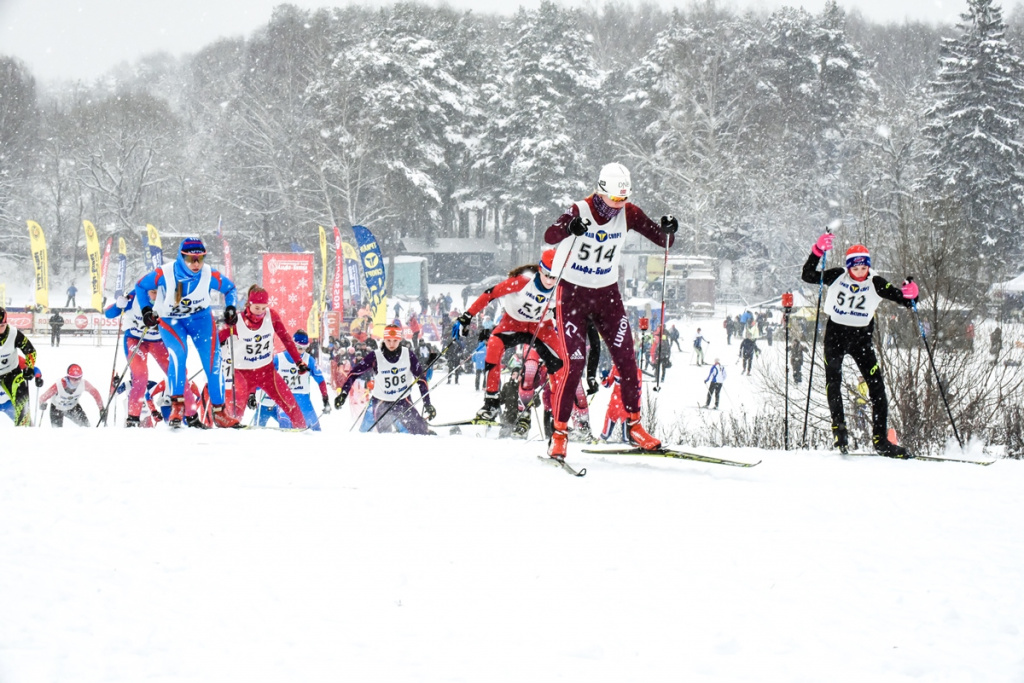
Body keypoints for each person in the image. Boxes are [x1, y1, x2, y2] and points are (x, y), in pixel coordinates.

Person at [542, 162, 675, 459]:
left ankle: (635, 426)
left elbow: (663, 239)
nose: (619, 205)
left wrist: (669, 230)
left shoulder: (629, 212)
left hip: (607, 294)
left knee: (628, 360)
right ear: (602, 191)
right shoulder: (580, 209)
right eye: (615, 199)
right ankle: (560, 433)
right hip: (573, 294)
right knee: (574, 364)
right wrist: (568, 227)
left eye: (623, 199)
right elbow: (550, 235)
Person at [801, 234, 918, 457]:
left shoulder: (875, 282)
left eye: (864, 266)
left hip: (861, 340)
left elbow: (903, 299)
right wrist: (817, 251)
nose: (860, 271)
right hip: (835, 336)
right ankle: (839, 430)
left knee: (877, 389)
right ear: (849, 267)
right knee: (833, 382)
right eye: (856, 267)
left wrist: (912, 294)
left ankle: (881, 441)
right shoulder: (837, 276)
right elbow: (808, 275)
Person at [134, 236, 239, 428]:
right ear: (181, 257)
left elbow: (230, 289)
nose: (196, 264)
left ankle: (220, 412)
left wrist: (231, 307)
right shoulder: (164, 273)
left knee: (213, 361)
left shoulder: (209, 274)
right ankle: (177, 406)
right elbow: (141, 287)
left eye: (200, 258)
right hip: (171, 321)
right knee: (178, 356)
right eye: (191, 259)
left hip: (201, 320)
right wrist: (146, 310)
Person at [453, 249, 565, 422]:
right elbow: (490, 293)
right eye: (548, 275)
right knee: (494, 345)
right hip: (513, 323)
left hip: (541, 328)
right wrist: (467, 316)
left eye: (555, 277)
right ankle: (491, 404)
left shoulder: (562, 288)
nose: (551, 281)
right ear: (540, 269)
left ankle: (560, 416)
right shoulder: (523, 281)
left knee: (562, 366)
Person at [105, 287, 200, 427]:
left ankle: (191, 417)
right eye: (152, 292)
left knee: (178, 374)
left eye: (158, 292)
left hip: (159, 342)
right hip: (136, 339)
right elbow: (109, 313)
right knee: (140, 376)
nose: (155, 296)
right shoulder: (136, 295)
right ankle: (132, 418)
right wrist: (118, 305)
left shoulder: (170, 297)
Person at [219, 285, 307, 430]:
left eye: (263, 307)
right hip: (242, 373)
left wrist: (298, 361)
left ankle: (303, 431)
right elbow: (215, 340)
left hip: (267, 372)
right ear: (249, 304)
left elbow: (285, 338)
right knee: (235, 412)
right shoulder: (237, 321)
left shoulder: (271, 316)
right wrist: (224, 325)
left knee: (291, 404)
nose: (260, 312)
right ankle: (230, 436)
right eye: (256, 308)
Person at [336, 324, 435, 434]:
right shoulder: (375, 356)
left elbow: (421, 380)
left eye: (395, 340)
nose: (391, 344)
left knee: (421, 433)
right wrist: (344, 393)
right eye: (388, 340)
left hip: (403, 401)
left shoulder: (408, 355)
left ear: (400, 339)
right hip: (381, 402)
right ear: (384, 339)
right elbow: (354, 373)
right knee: (385, 438)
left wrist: (427, 403)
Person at [274, 329, 331, 431]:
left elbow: (321, 380)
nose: (301, 351)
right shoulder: (279, 358)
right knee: (286, 424)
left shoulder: (309, 359)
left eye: (304, 348)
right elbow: (265, 376)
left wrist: (325, 399)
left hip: (303, 399)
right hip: (285, 398)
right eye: (298, 347)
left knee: (315, 430)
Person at [0, 307, 39, 426]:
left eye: (1, 325)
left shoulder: (14, 333)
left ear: (6, 323)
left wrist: (30, 368)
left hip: (11, 373)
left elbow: (31, 351)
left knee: (21, 392)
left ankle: (24, 426)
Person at [38, 363, 104, 427]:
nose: (78, 381)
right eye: (75, 379)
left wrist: (101, 409)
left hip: (73, 407)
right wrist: (42, 403)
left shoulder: (83, 384)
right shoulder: (60, 385)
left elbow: (95, 393)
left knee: (86, 427)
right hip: (56, 408)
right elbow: (44, 396)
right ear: (69, 377)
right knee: (57, 432)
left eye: (79, 378)